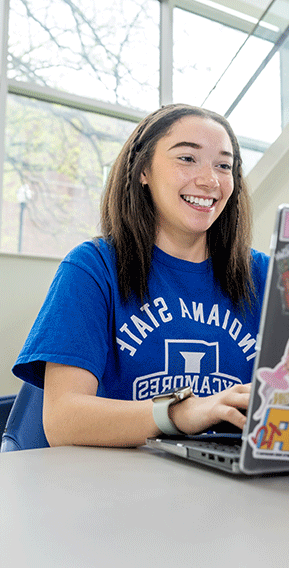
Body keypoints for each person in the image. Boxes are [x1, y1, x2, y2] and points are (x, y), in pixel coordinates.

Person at [12, 104, 269, 448]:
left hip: (239, 484)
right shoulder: (92, 268)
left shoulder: (266, 275)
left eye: (224, 166)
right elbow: (62, 420)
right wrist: (179, 413)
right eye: (187, 159)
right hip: (121, 488)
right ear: (143, 169)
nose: (209, 180)